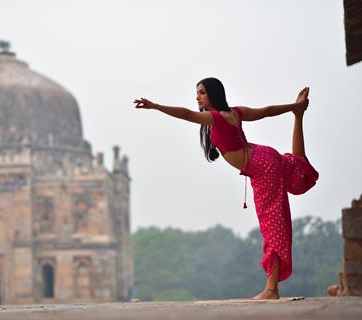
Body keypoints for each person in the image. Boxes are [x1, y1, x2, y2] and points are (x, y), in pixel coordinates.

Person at [133, 78, 319, 300]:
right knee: (296, 163)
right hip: (265, 157)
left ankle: (271, 289)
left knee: (272, 225)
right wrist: (294, 108)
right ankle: (299, 118)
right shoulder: (235, 113)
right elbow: (266, 111)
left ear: (213, 94)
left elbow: (185, 114)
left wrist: (156, 106)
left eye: (202, 93)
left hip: (261, 168)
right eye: (197, 93)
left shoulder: (215, 117)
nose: (197, 97)